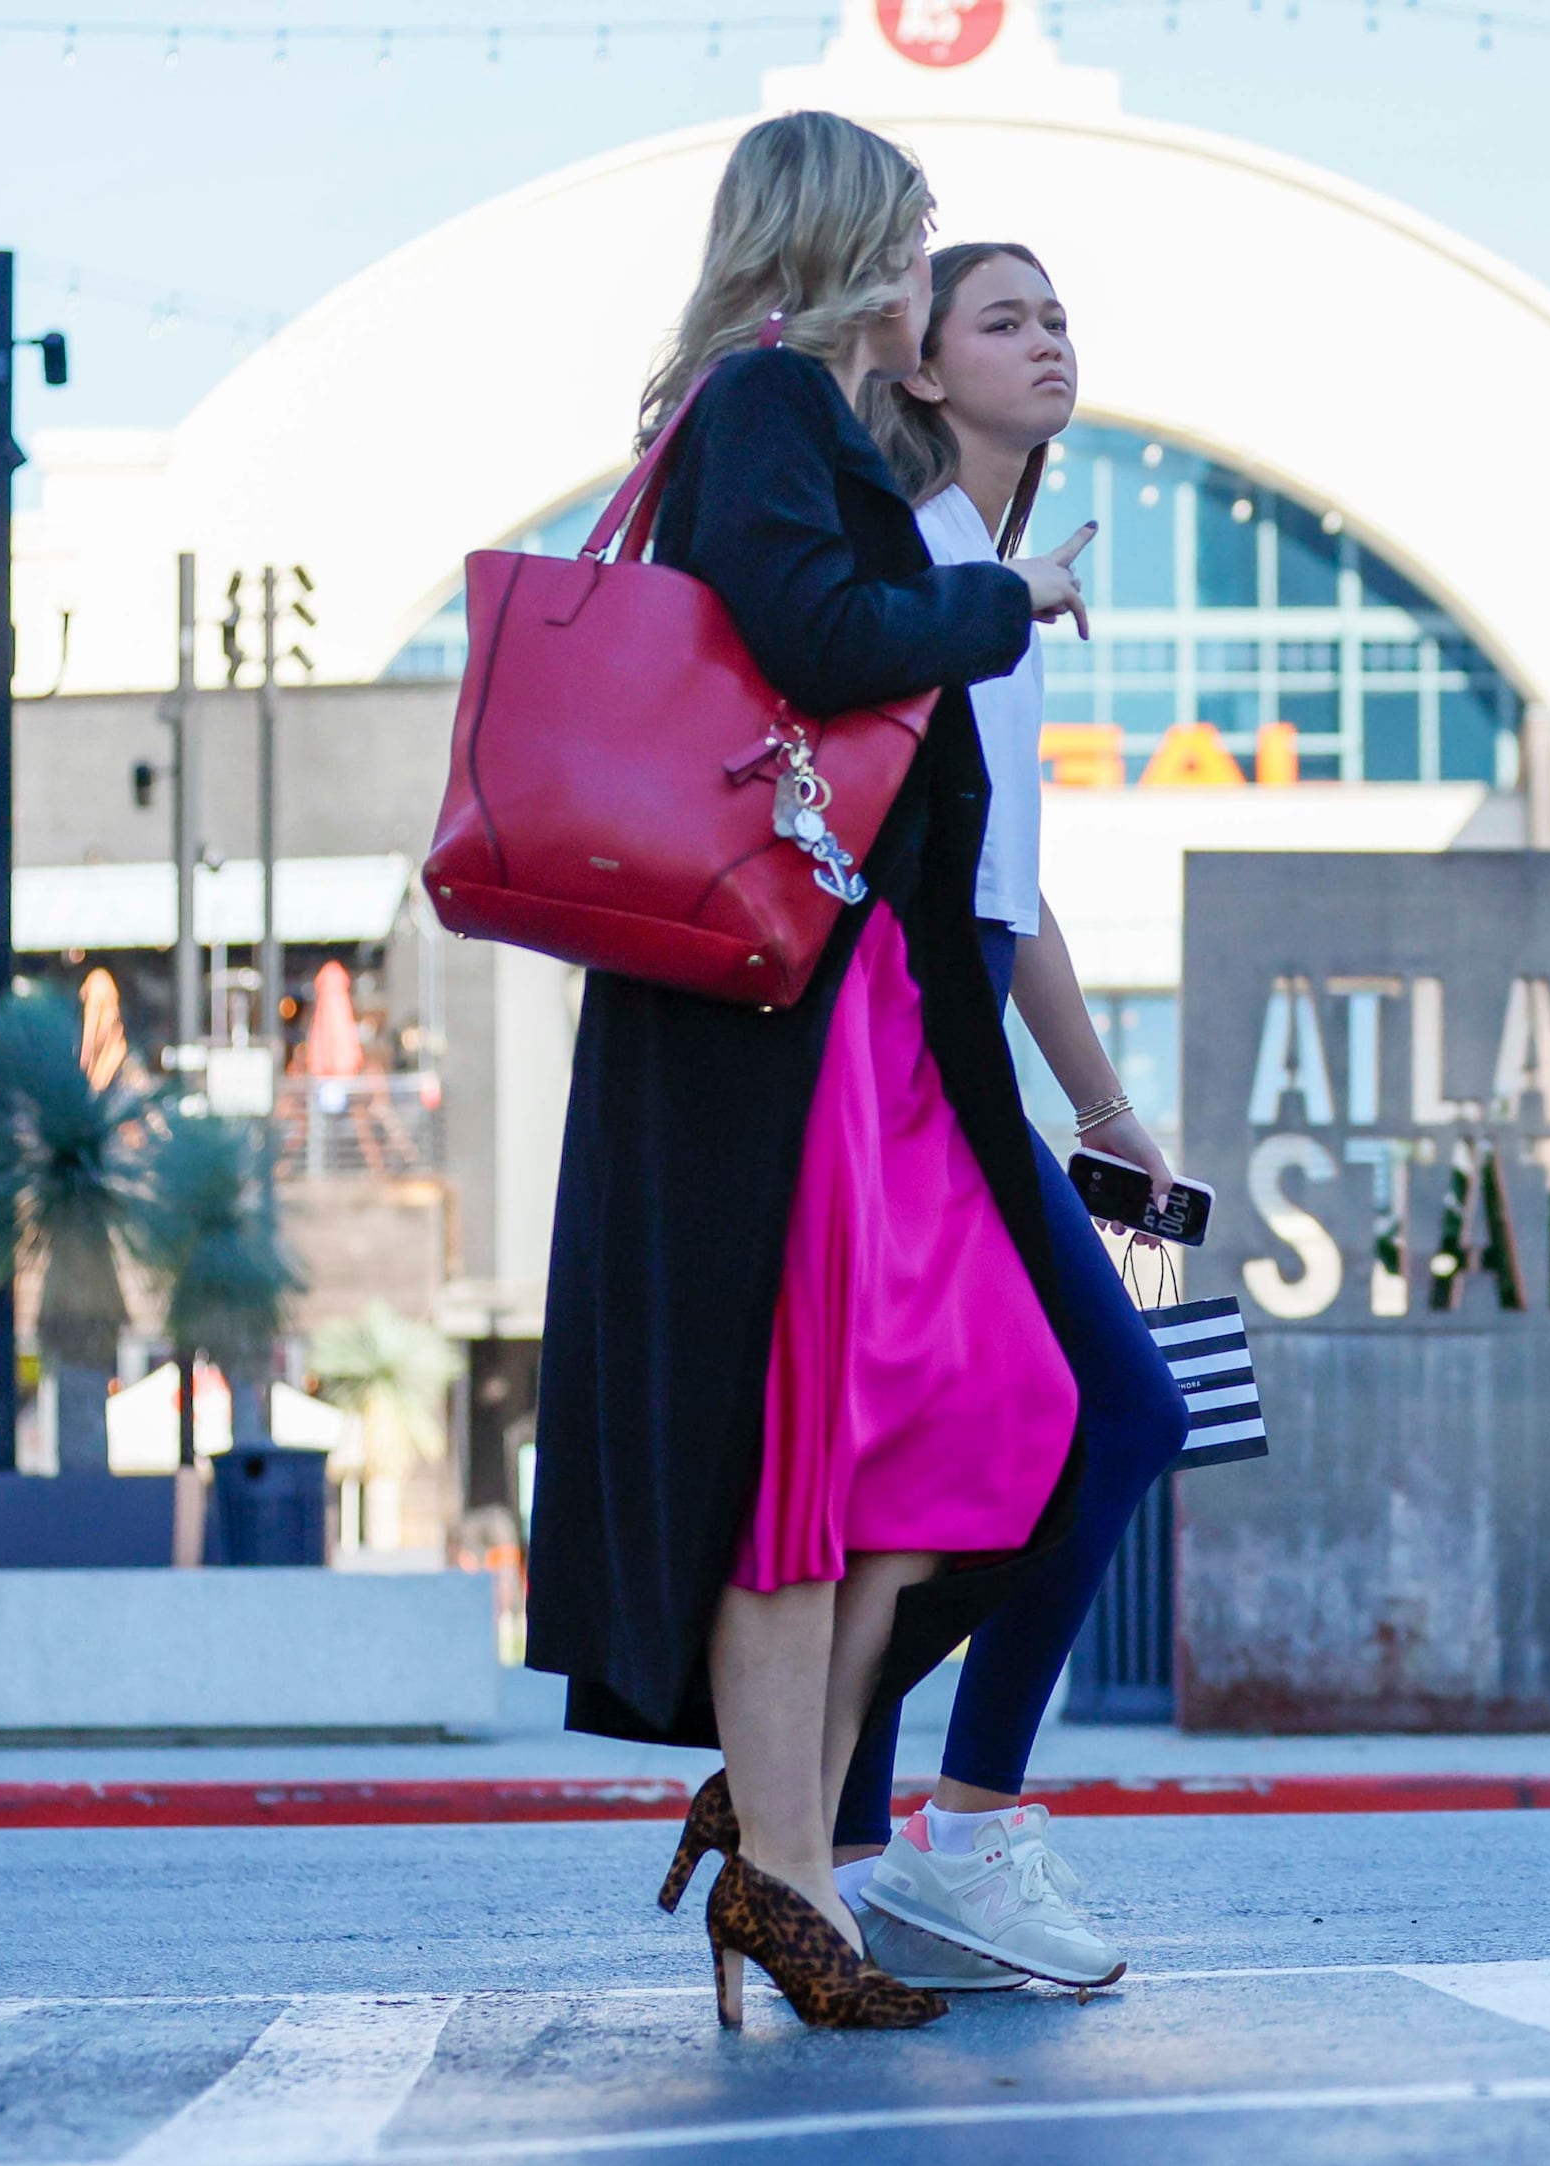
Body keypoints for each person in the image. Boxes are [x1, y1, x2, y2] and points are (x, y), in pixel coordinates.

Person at [523, 109, 1095, 2030]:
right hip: (780, 1012)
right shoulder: (762, 398)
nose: (925, 249)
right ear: (842, 229)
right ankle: (783, 1867)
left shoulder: (804, 415)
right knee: (810, 1471)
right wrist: (1015, 604)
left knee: (964, 1417)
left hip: (853, 1003)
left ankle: (776, 1830)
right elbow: (819, 632)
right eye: (912, 225)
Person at [822, 241, 1190, 1993]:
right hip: (901, 1050)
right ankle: (943, 1829)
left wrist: (1109, 1105)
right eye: (1004, 318)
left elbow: (1012, 887)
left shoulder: (997, 581)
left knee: (1021, 1437)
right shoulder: (921, 569)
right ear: (918, 370)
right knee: (1106, 1410)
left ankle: (833, 1816)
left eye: (1059, 316)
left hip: (968, 1033)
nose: (1048, 340)